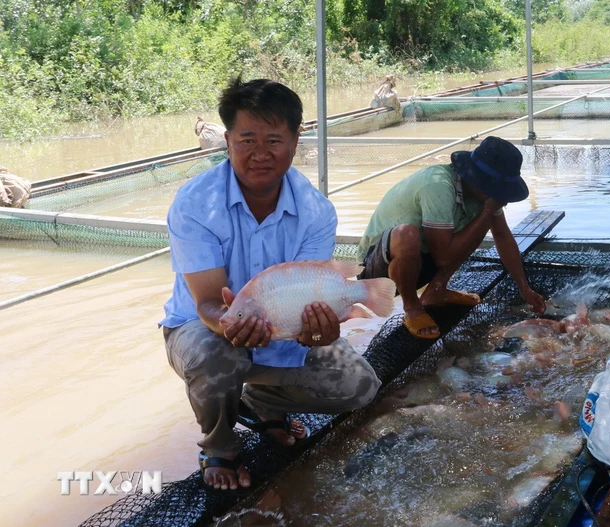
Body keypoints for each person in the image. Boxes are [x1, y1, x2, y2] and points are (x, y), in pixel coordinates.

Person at [160, 78, 381, 493]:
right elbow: (208, 302)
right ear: (226, 140)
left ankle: (260, 404)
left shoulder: (316, 212)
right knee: (218, 354)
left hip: (283, 325)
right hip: (202, 330)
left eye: (274, 140)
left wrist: (321, 330)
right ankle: (220, 448)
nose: (260, 154)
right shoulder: (195, 203)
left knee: (360, 387)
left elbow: (315, 294)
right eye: (246, 140)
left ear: (296, 140)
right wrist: (227, 323)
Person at [356, 136, 546, 339]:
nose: (502, 197)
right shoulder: (437, 185)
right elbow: (443, 257)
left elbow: (503, 236)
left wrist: (524, 287)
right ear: (481, 180)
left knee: (481, 222)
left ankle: (437, 290)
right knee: (408, 234)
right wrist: (487, 210)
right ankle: (412, 308)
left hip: (421, 262)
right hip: (377, 271)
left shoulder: (483, 197)